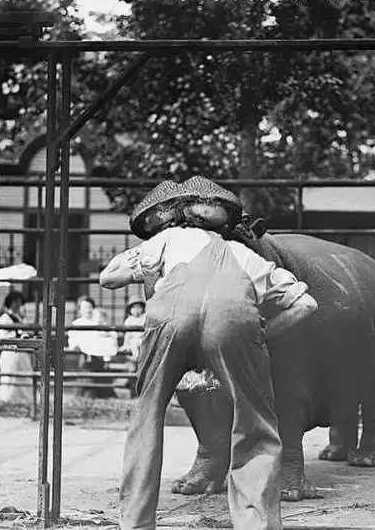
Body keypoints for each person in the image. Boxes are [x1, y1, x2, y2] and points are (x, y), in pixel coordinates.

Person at [100, 176, 318, 530]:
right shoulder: (245, 253)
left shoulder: (167, 239)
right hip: (233, 322)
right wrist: (262, 334)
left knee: (147, 415)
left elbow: (108, 278)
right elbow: (306, 304)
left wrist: (150, 270)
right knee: (255, 419)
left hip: (169, 318)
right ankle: (255, 522)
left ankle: (136, 522)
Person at [0, 290, 34, 404]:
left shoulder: (21, 318)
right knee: (9, 378)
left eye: (20, 302)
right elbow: (2, 336)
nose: (18, 304)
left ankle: (26, 401)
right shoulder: (4, 318)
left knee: (25, 377)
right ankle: (6, 401)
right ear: (10, 302)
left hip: (22, 352)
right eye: (16, 302)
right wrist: (17, 334)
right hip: (10, 352)